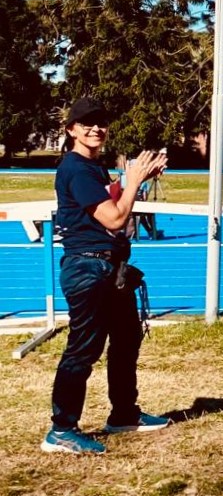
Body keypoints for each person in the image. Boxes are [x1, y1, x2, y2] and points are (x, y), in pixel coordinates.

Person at [45, 98, 171, 456]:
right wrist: (131, 182)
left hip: (109, 269)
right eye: (86, 123)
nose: (96, 128)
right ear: (71, 130)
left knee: (127, 338)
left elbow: (107, 201)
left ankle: (124, 414)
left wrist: (134, 179)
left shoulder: (92, 168)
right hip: (88, 269)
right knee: (83, 350)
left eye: (101, 122)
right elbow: (115, 218)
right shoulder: (77, 169)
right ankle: (61, 429)